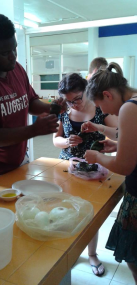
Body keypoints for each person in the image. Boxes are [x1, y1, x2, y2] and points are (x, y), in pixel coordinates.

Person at [0, 13, 62, 179]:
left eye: (14, 49)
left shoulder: (16, 68)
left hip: (19, 161)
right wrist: (34, 130)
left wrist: (52, 108)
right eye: (5, 53)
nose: (13, 56)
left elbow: (30, 101)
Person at [53, 72, 118, 276]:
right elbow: (56, 139)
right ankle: (67, 252)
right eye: (69, 101)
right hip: (68, 167)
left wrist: (111, 144)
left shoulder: (100, 109)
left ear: (86, 91)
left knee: (90, 213)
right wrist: (67, 141)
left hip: (94, 169)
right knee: (66, 210)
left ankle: (91, 254)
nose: (74, 105)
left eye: (78, 99)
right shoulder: (64, 112)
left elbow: (123, 133)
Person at [84, 62, 137, 284]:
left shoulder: (129, 107)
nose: (105, 112)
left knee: (134, 256)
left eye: (101, 106)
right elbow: (125, 132)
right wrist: (108, 137)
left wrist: (97, 157)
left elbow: (124, 166)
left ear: (107, 94)